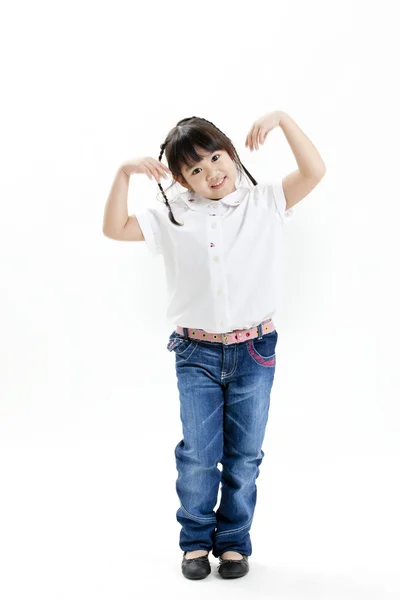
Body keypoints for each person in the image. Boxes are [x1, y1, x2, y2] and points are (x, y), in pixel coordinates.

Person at [102, 112, 326, 580]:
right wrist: (123, 173)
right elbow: (115, 228)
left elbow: (314, 172)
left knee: (245, 456)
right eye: (196, 170)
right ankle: (195, 542)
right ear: (181, 181)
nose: (212, 173)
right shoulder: (173, 215)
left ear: (231, 153)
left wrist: (283, 121)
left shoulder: (264, 201)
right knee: (199, 455)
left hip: (255, 350)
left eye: (216, 158)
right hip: (195, 354)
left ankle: (233, 543)